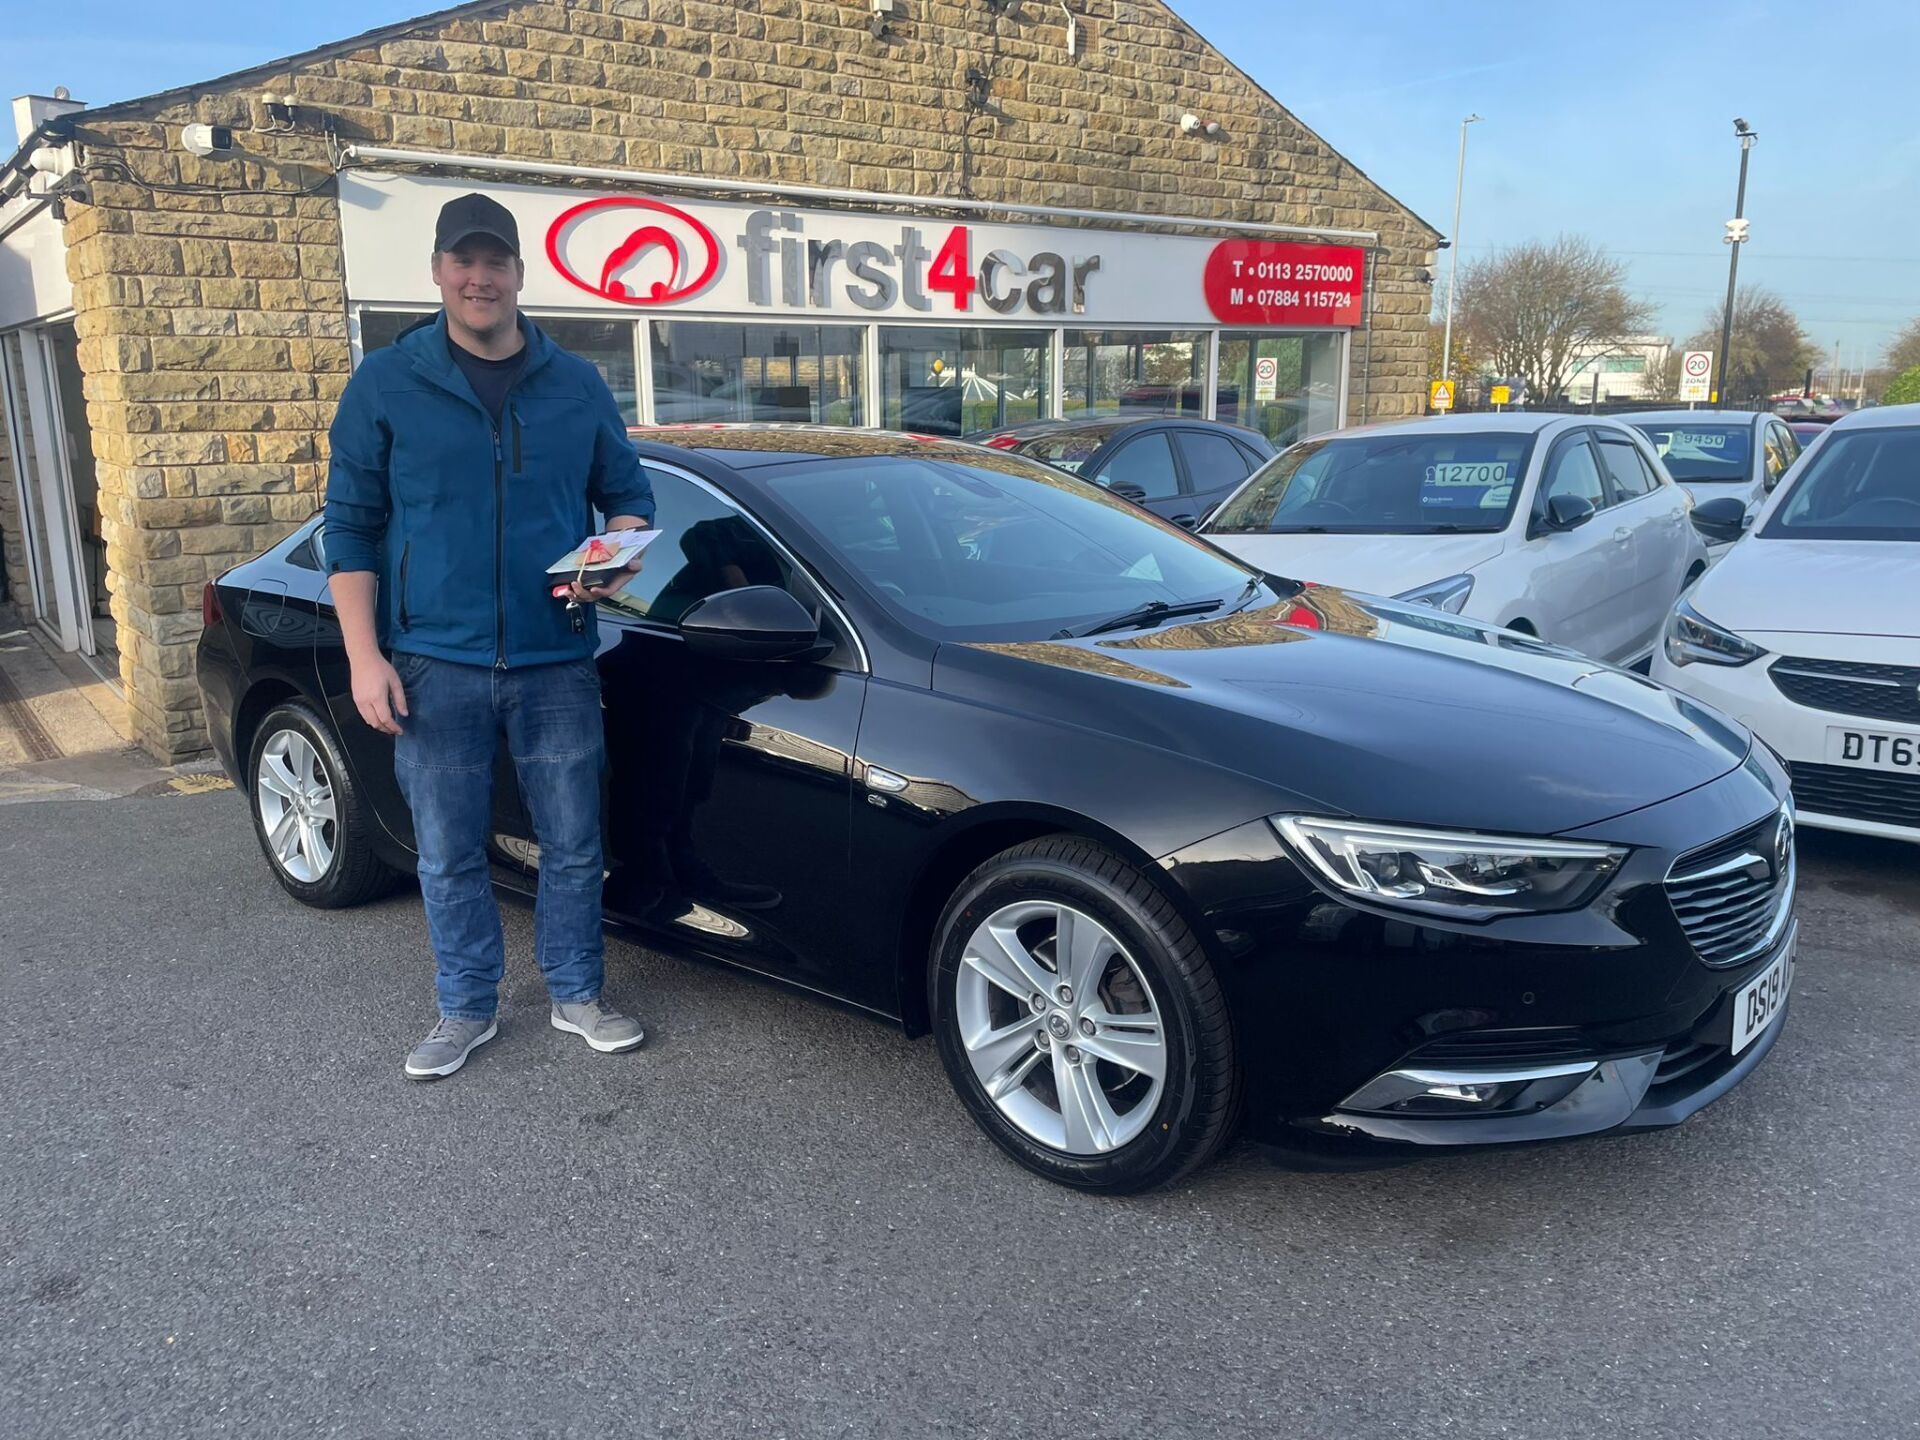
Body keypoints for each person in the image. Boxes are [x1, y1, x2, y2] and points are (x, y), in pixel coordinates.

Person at [323, 192, 656, 1080]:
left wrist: (617, 559)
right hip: (435, 662)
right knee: (447, 850)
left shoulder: (576, 382)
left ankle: (577, 993)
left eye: (496, 261)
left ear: (518, 271)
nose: (481, 277)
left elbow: (629, 495)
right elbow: (349, 530)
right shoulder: (386, 384)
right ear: (438, 272)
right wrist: (365, 656)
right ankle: (465, 1007)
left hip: (556, 659)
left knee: (575, 843)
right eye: (464, 261)